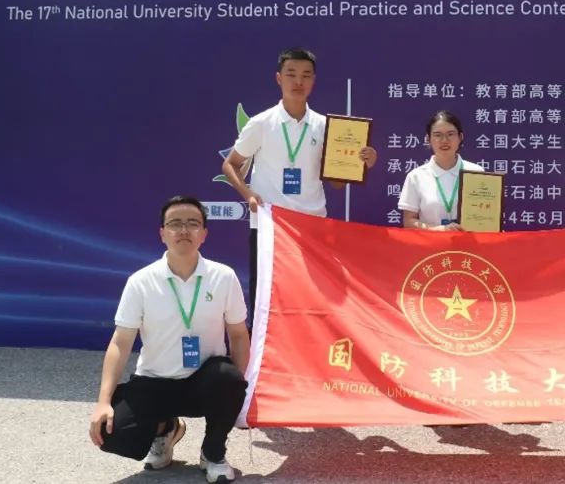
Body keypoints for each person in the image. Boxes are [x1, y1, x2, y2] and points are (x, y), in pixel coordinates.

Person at [89, 196, 249, 483]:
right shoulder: (141, 281)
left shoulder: (224, 277)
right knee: (110, 433)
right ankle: (166, 430)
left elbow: (238, 335)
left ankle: (213, 452)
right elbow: (120, 343)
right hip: (155, 382)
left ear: (204, 233)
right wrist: (103, 401)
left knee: (229, 379)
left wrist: (238, 392)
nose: (184, 230)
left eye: (193, 224)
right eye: (175, 224)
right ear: (162, 233)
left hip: (203, 381)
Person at [221, 47, 378, 309]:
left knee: (312, 301)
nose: (298, 82)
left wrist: (359, 163)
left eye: (306, 76)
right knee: (267, 300)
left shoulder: (326, 126)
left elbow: (337, 183)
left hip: (312, 225)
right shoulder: (261, 123)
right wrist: (248, 195)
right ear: (279, 78)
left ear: (313, 81)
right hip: (271, 225)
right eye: (291, 74)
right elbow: (231, 164)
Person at [398, 110, 483, 230]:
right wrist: (438, 230)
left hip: (468, 241)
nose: (444, 140)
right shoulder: (416, 176)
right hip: (431, 242)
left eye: (450, 134)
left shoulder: (476, 172)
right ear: (428, 139)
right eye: (438, 135)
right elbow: (409, 221)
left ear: (460, 137)